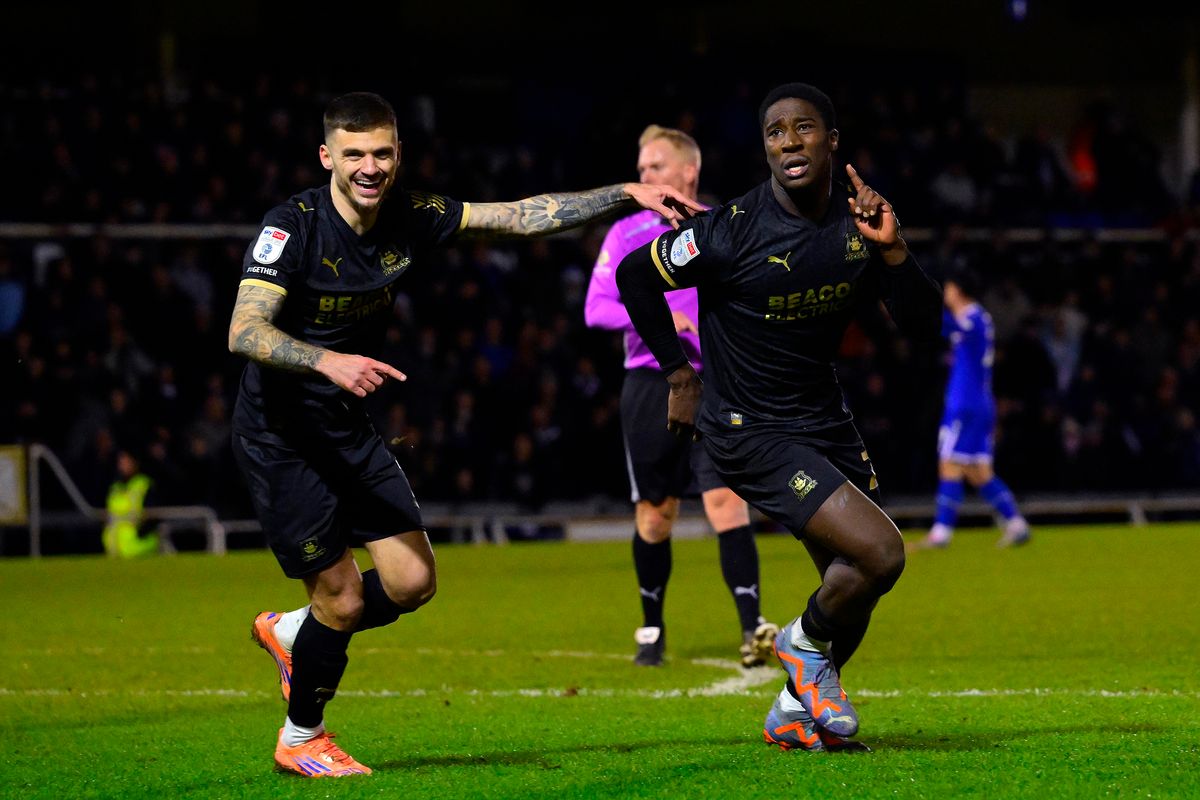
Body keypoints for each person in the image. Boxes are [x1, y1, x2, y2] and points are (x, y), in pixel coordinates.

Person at [229, 91, 702, 779]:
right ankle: (301, 737)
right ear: (327, 156)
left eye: (383, 152)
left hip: (345, 423)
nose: (370, 167)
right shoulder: (292, 228)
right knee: (342, 595)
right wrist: (327, 359)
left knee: (414, 580)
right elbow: (245, 330)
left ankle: (291, 632)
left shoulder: (412, 215)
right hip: (281, 434)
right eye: (355, 154)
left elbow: (518, 218)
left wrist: (625, 192)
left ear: (398, 154)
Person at [615, 83, 942, 752]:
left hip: (825, 423)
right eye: (774, 132)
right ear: (765, 147)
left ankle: (794, 710)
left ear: (831, 141)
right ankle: (801, 643)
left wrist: (894, 250)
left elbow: (923, 324)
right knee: (881, 552)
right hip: (749, 430)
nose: (789, 141)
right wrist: (680, 372)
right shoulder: (730, 229)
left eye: (803, 129)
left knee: (857, 580)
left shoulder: (859, 225)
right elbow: (633, 276)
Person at [585, 125, 778, 668]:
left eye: (655, 167)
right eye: (641, 168)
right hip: (651, 384)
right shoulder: (624, 233)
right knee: (656, 514)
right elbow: (595, 309)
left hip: (717, 380)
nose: (644, 177)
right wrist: (658, 312)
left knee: (726, 500)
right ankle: (651, 630)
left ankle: (752, 629)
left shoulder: (722, 226)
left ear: (688, 172)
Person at [918, 267, 1031, 549]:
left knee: (949, 462)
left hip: (965, 405)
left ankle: (941, 531)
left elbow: (948, 327)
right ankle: (1016, 524)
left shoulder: (972, 318)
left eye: (950, 287)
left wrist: (918, 306)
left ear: (959, 290)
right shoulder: (976, 318)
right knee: (979, 470)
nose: (947, 292)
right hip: (979, 403)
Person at [101, 447, 159, 558]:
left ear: (135, 462)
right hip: (115, 551)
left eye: (126, 461)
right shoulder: (115, 487)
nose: (122, 465)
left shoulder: (144, 484)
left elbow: (154, 514)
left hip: (140, 549)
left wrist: (141, 533)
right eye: (120, 461)